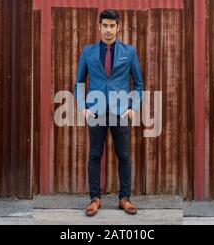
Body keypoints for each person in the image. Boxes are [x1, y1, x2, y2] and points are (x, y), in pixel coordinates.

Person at [74, 9, 144, 217]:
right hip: (95, 112)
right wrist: (82, 108)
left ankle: (125, 198)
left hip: (120, 111)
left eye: (112, 25)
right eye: (105, 25)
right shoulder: (88, 52)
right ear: (99, 27)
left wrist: (133, 108)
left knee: (123, 155)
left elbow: (138, 83)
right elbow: (79, 82)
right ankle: (95, 198)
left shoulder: (129, 52)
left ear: (118, 27)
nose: (108, 29)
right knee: (95, 155)